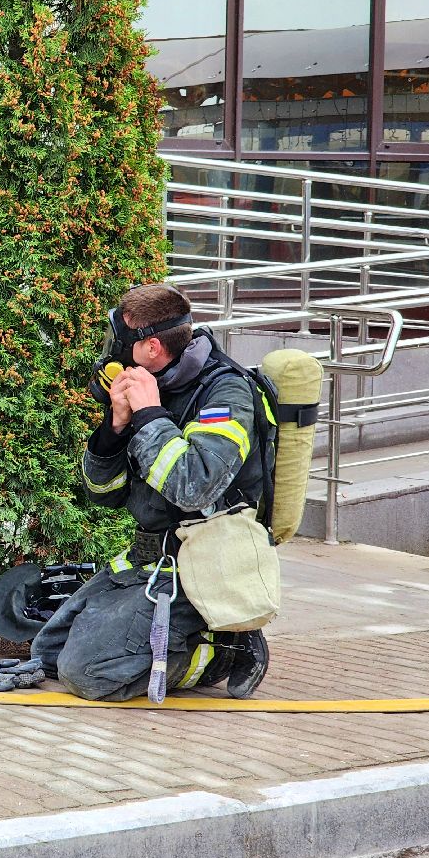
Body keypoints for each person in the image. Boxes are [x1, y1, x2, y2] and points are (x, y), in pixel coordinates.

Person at [31, 283, 270, 701]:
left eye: (122, 342)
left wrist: (150, 415)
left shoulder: (224, 393)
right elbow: (103, 494)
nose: (114, 353)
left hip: (200, 565)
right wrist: (116, 428)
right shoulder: (156, 386)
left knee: (85, 673)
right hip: (149, 559)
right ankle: (183, 634)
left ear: (152, 347)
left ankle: (221, 648)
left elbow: (195, 487)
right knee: (48, 654)